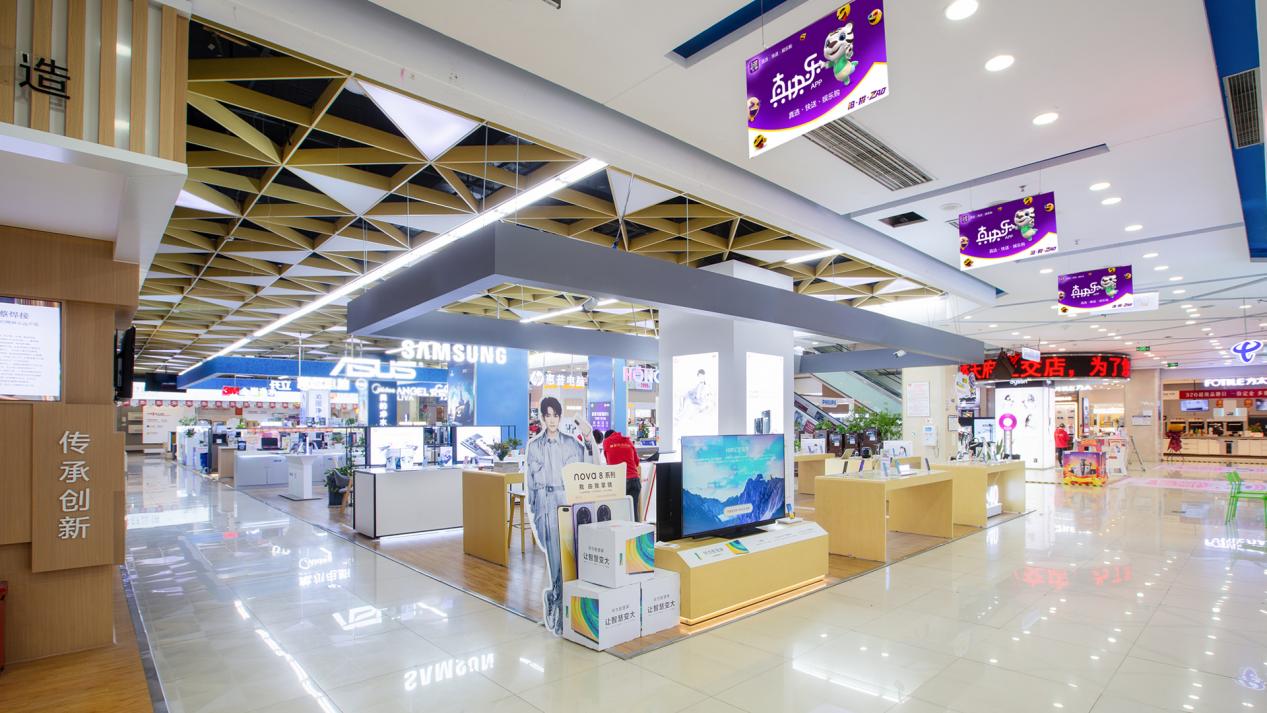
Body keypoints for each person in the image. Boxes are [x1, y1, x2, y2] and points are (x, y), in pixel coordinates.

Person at [524, 396, 586, 635]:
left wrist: (588, 437)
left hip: (567, 503)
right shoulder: (534, 447)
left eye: (555, 415)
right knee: (555, 559)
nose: (551, 420)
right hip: (546, 506)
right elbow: (530, 483)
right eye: (547, 415)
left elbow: (587, 466)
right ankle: (558, 601)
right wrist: (534, 509)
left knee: (569, 555)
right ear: (542, 417)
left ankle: (561, 604)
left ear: (560, 417)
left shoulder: (572, 444)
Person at [602, 429, 641, 520]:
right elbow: (637, 462)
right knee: (633, 512)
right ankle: (636, 529)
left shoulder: (606, 442)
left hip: (619, 482)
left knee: (619, 514)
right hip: (634, 480)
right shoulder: (628, 441)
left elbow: (608, 463)